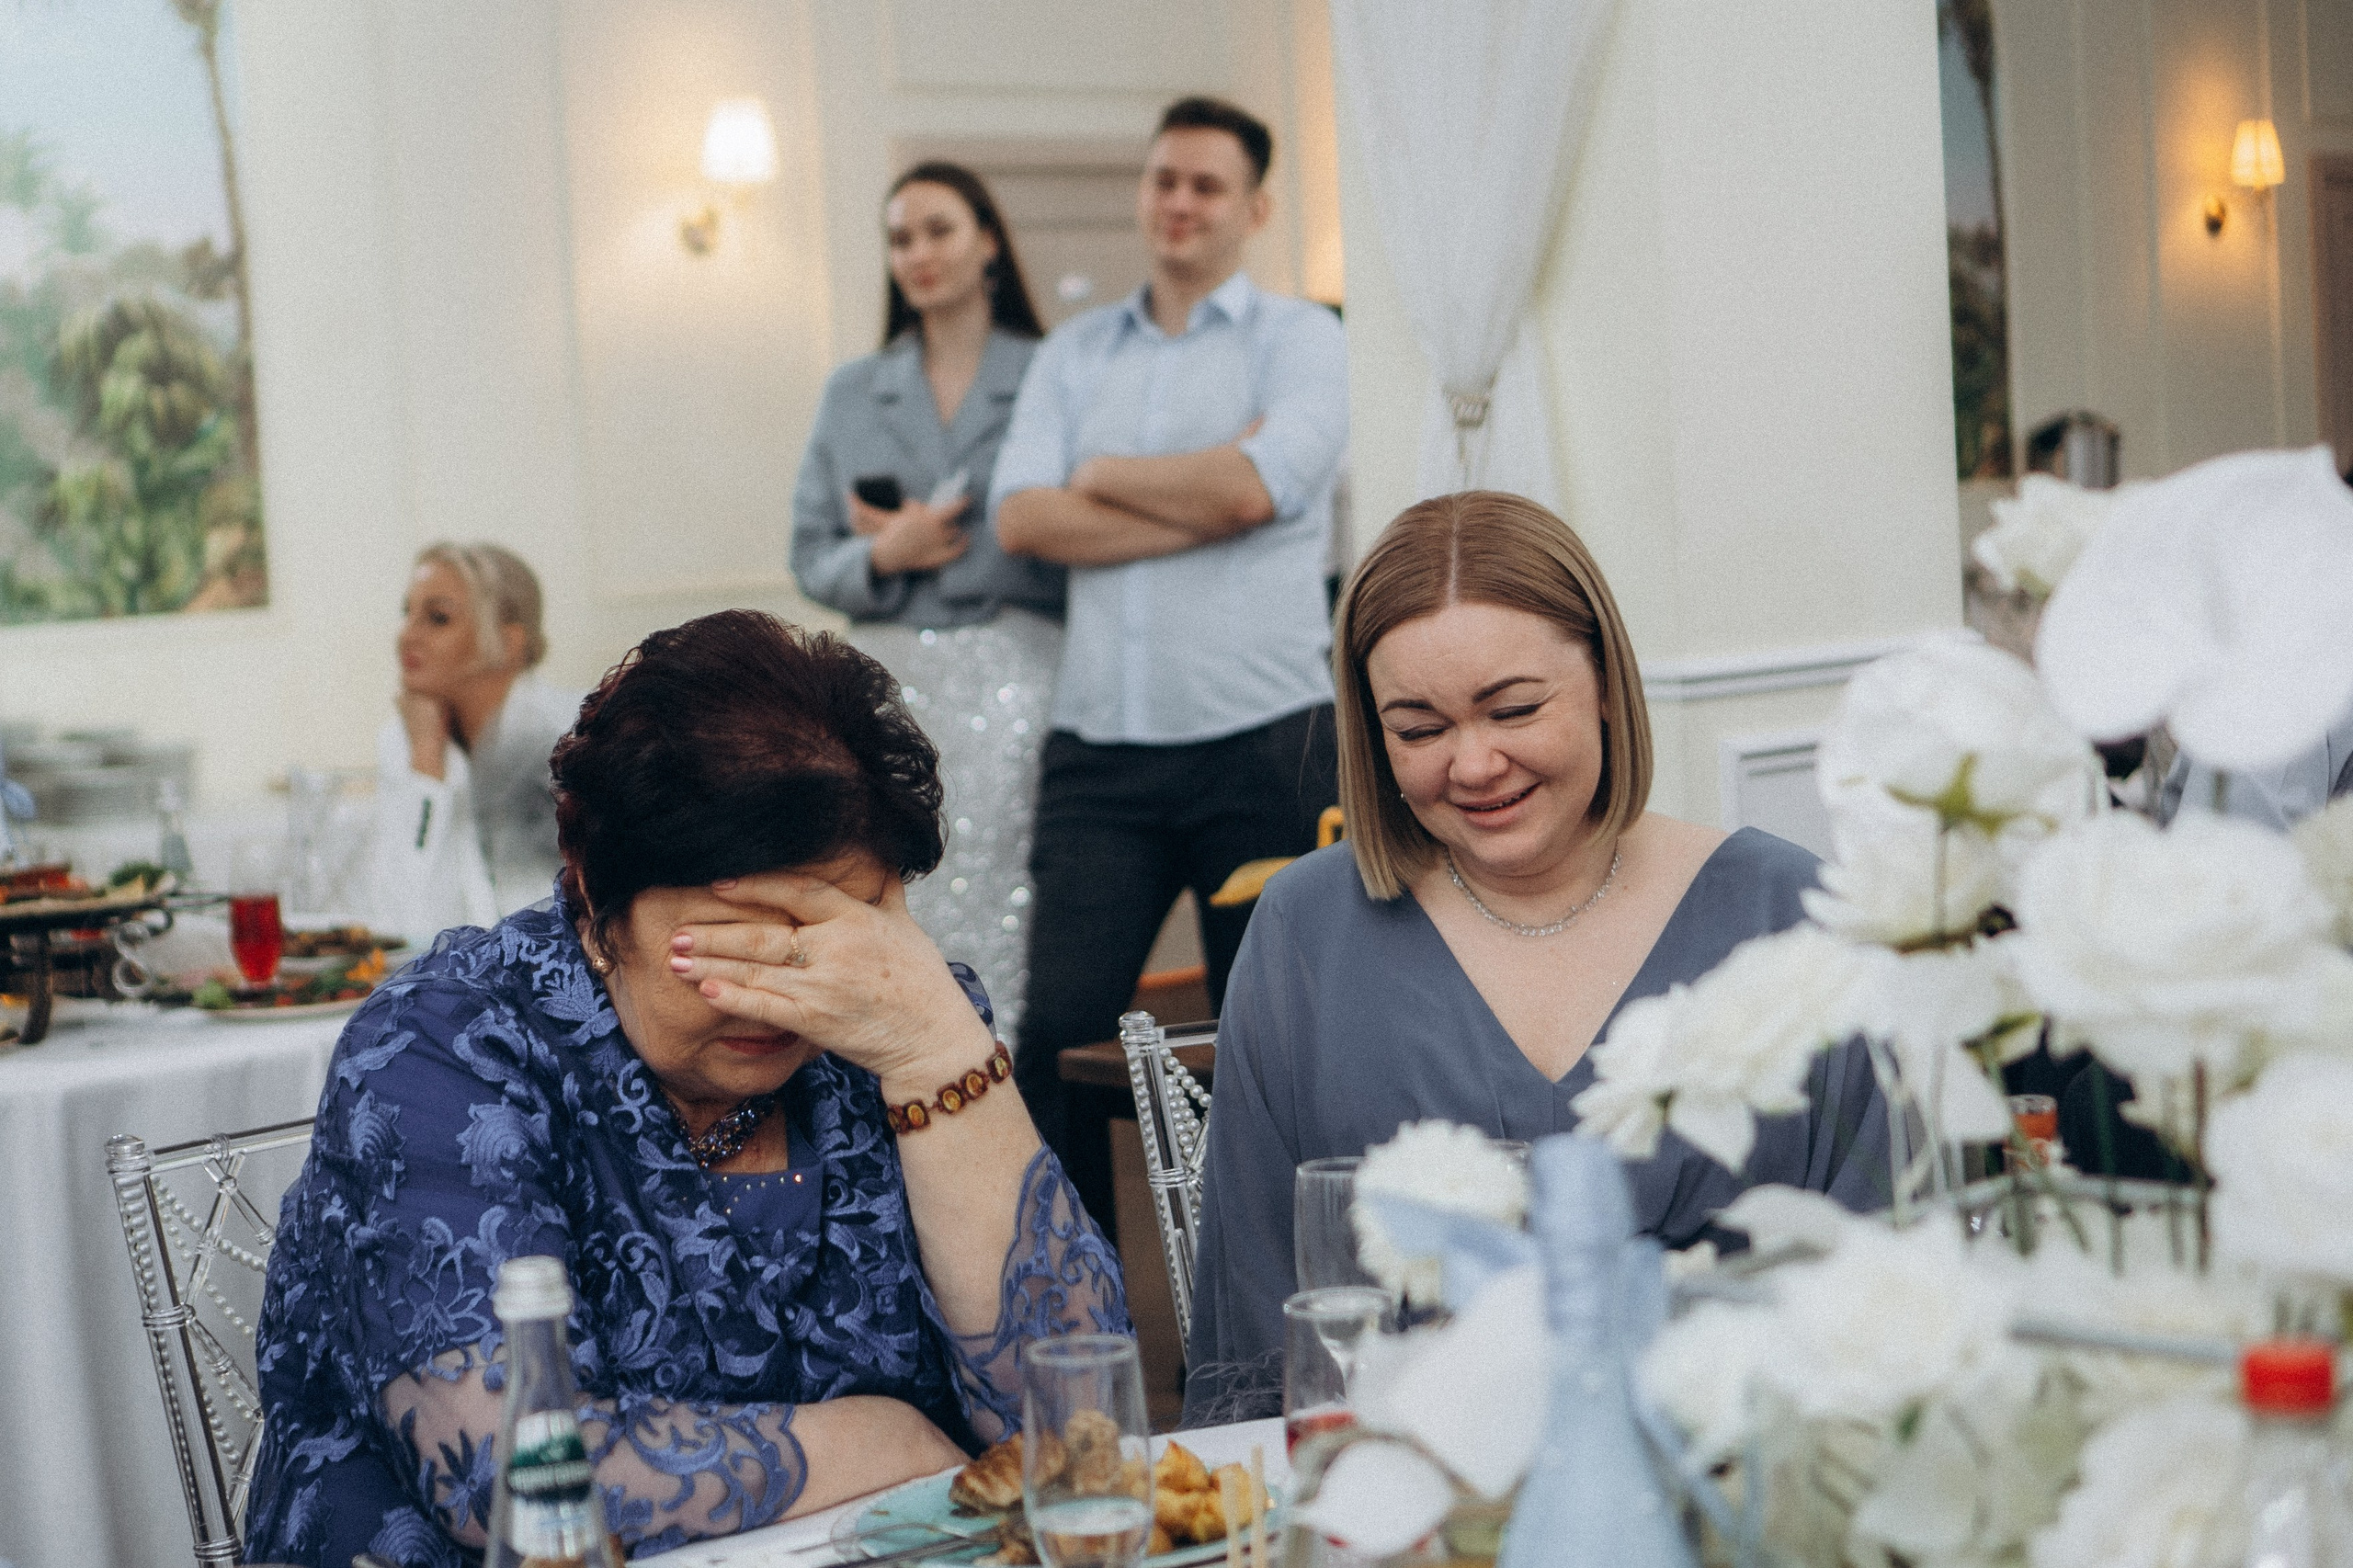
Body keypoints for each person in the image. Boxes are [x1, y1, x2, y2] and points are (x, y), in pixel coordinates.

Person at [245, 611, 1127, 1568]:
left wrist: (939, 1058)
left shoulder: (891, 1013)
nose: (776, 992)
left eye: (814, 934)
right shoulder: (445, 1047)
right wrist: (883, 1441)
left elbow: (1077, 1428)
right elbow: (504, 1472)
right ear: (592, 904)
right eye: (724, 942)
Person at [1180, 492, 1890, 1423]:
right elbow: (1260, 1329)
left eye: (1511, 708)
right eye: (1419, 728)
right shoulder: (1306, 931)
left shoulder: (1784, 911)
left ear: (1602, 680)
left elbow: (1879, 1280)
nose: (1473, 765)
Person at [991, 96, 1348, 1224]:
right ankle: (1074, 1303)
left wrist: (1099, 474)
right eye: (1163, 180)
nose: (1179, 202)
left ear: (1255, 206)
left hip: (1268, 741)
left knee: (1270, 1043)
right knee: (1057, 1033)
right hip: (1102, 750)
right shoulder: (1073, 351)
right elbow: (1020, 520)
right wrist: (1201, 498)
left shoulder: (1303, 339)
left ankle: (1262, 1318)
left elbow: (1261, 485)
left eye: (1205, 184)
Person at [791, 162, 1063, 1034]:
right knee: (900, 883)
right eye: (900, 237)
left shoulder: (1052, 371)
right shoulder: (852, 390)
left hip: (1019, 668)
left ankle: (1006, 1094)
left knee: (1011, 889)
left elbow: (1079, 533)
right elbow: (810, 556)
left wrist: (951, 551)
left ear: (987, 239)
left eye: (938, 230)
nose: (918, 253)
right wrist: (884, 554)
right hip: (891, 676)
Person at [369, 542, 579, 940]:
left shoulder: (571, 738)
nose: (407, 635)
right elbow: (398, 919)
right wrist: (427, 765)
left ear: (508, 642)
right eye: (407, 614)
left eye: (437, 618)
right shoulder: (406, 741)